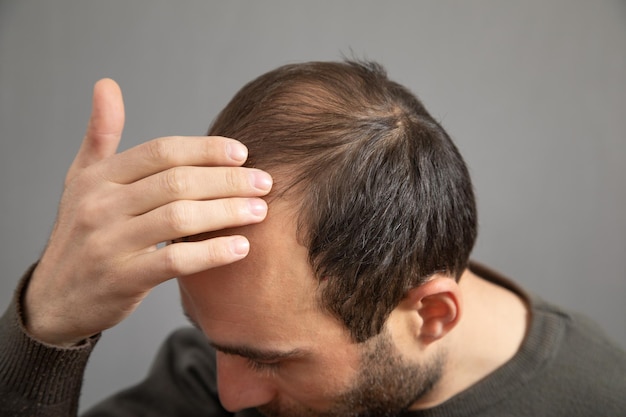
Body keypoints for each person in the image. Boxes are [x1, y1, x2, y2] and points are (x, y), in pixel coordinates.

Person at [1, 60, 625, 417]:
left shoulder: (599, 400)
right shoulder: (203, 378)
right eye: (208, 336)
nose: (231, 395)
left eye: (271, 358)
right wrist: (46, 332)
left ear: (430, 313)